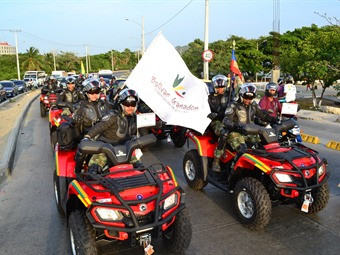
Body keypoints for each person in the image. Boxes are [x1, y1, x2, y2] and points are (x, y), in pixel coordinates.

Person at [212, 83, 278, 172]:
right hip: (236, 132)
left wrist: (275, 120)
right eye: (246, 97)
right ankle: (231, 169)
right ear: (241, 95)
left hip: (251, 131)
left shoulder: (253, 105)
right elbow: (226, 120)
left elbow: (263, 116)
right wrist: (237, 126)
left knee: (264, 148)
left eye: (250, 98)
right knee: (242, 150)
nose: (248, 100)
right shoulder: (233, 106)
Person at [83, 88, 140, 172]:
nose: (130, 107)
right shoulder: (112, 115)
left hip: (124, 150)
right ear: (121, 104)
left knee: (140, 167)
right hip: (106, 149)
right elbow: (99, 126)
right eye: (127, 104)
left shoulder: (134, 117)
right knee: (94, 168)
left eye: (133, 104)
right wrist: (87, 137)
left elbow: (134, 134)